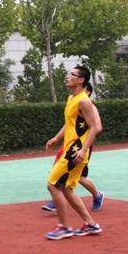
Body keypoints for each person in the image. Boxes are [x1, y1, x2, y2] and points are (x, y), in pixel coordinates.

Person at [45, 66, 102, 240]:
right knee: (67, 188)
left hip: (76, 151)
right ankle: (90, 223)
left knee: (53, 184)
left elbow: (94, 128)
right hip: (71, 148)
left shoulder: (84, 101)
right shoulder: (72, 98)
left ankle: (64, 227)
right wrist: (57, 138)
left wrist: (83, 150)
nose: (68, 76)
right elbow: (70, 123)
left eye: (72, 74)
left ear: (81, 80)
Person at [41, 82, 105, 212]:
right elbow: (69, 124)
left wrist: (83, 142)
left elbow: (97, 127)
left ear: (88, 92)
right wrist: (57, 138)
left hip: (81, 145)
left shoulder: (90, 106)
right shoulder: (72, 102)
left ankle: (97, 195)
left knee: (80, 176)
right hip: (69, 144)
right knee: (58, 169)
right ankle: (56, 198)